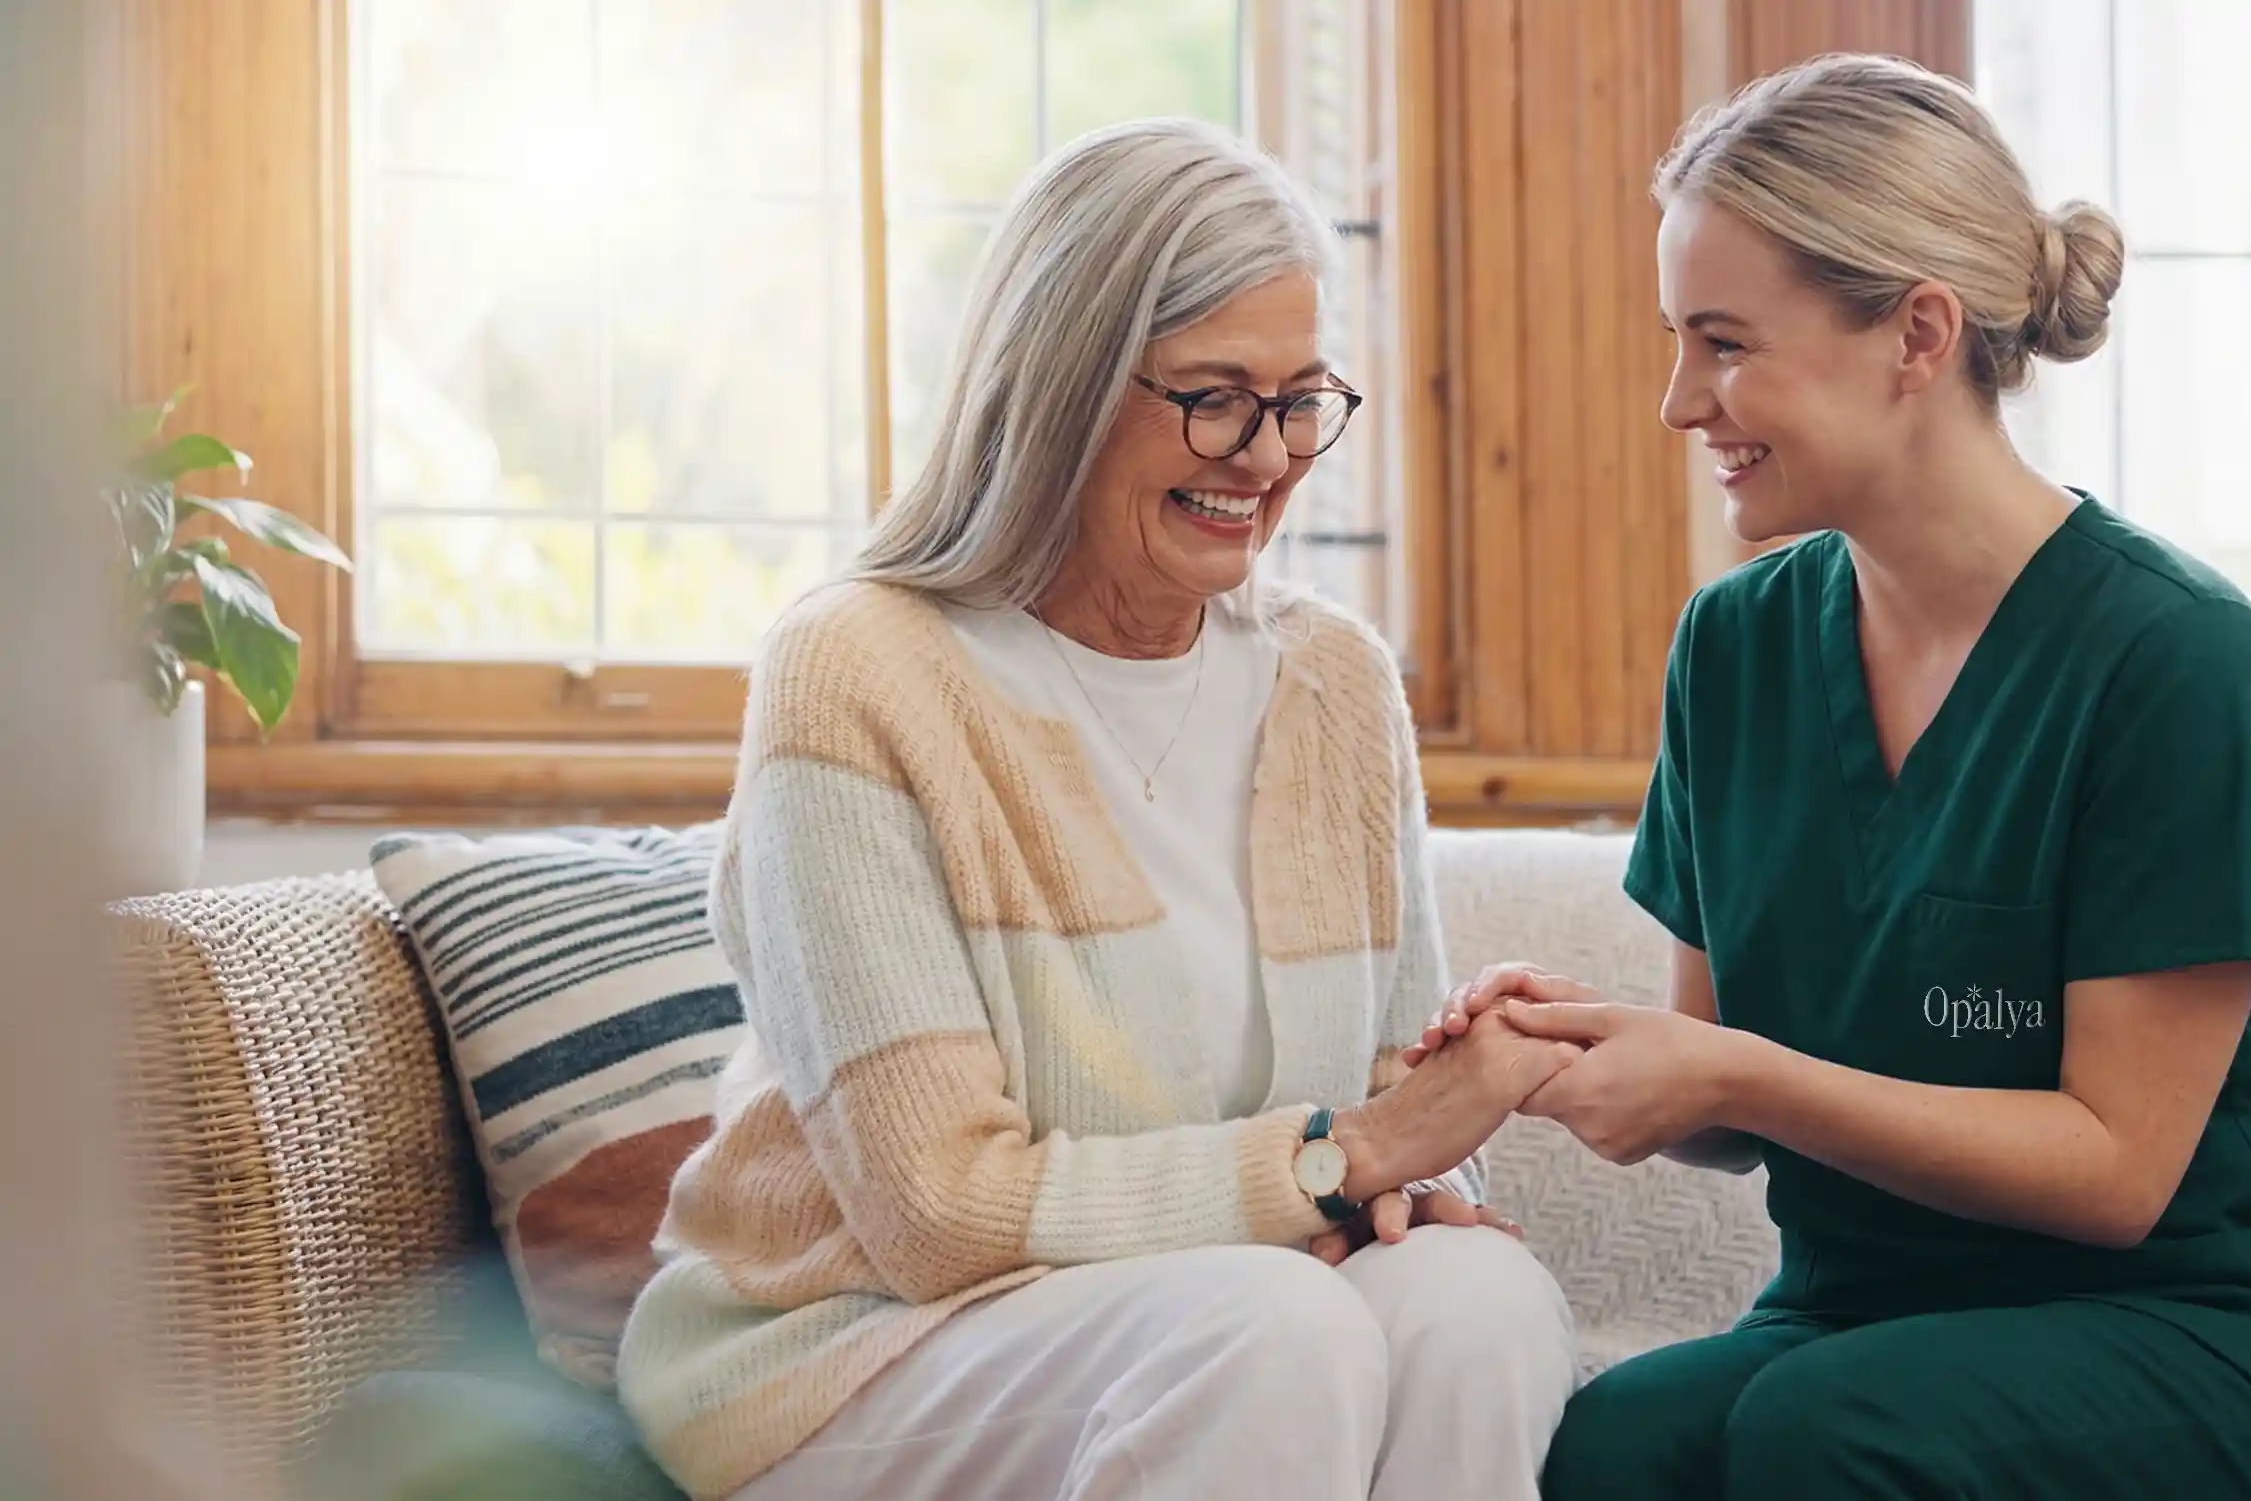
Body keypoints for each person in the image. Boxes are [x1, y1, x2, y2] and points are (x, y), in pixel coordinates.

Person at [1408, 54, 2251, 1501]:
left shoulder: (2182, 663)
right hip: (1858, 1323)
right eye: (1679, 341)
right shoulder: (1735, 648)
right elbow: (1736, 1105)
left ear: (1917, 334)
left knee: (1823, 1432)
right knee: (1614, 1451)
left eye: (1725, 341)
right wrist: (1578, 1056)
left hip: (2184, 1336)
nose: (1681, 401)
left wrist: (1735, 1069)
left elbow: (2118, 1169)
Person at [615, 118, 1578, 1501]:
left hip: (1211, 1311)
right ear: (1058, 382)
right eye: (1213, 395)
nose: (1267, 454)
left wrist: (1410, 1163)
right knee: (1272, 1322)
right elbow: (938, 1214)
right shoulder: (861, 667)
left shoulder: (1333, 682)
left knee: (1470, 1299)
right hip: (863, 1347)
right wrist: (1346, 1158)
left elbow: (1380, 1122)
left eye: (1303, 398)